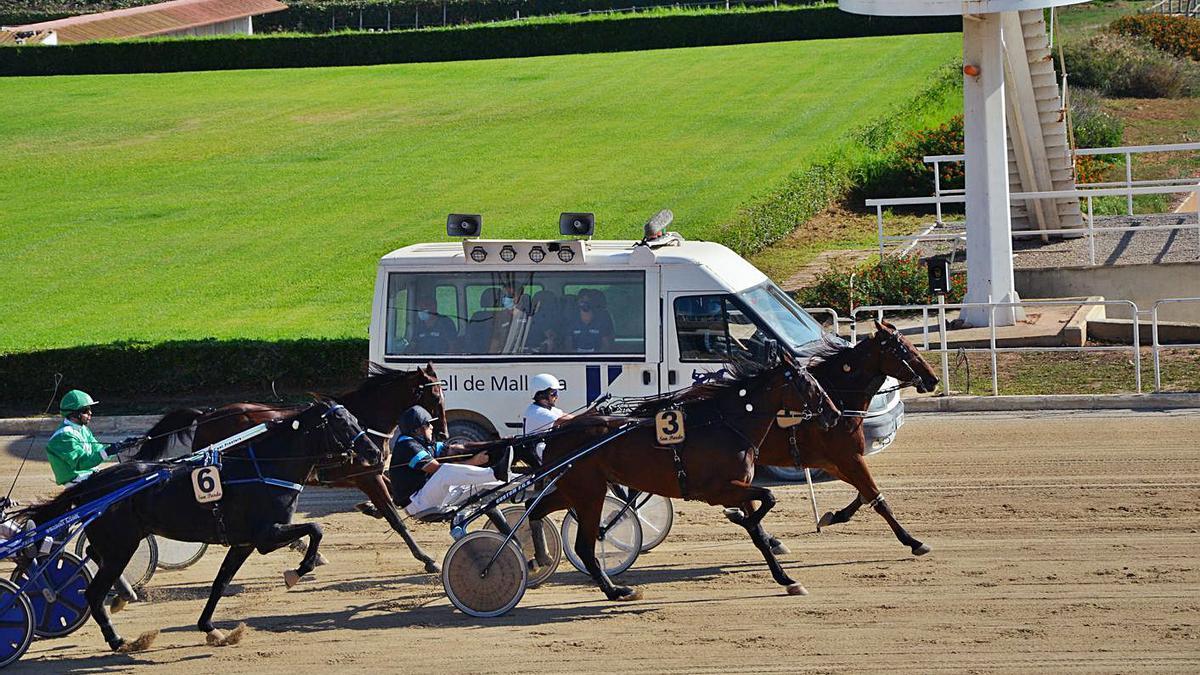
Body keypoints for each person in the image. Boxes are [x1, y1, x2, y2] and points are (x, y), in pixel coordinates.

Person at [44, 390, 140, 612]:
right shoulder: (64, 437)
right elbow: (82, 462)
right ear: (75, 414)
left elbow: (97, 449)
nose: (90, 414)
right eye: (87, 411)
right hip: (78, 486)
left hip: (91, 479)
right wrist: (109, 451)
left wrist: (120, 445)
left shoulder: (82, 430)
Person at [389, 405, 511, 517]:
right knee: (445, 471)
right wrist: (474, 462)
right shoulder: (407, 445)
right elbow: (436, 469)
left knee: (478, 482)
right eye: (428, 424)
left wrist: (497, 444)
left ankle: (522, 481)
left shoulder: (423, 442)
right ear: (417, 430)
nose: (432, 427)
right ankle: (495, 472)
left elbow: (458, 449)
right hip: (416, 504)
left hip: (428, 495)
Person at [521, 373, 575, 464]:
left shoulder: (550, 409)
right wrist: (591, 418)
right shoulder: (537, 412)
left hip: (548, 448)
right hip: (539, 452)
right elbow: (565, 421)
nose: (556, 397)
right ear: (542, 395)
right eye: (554, 393)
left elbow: (574, 418)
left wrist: (593, 414)